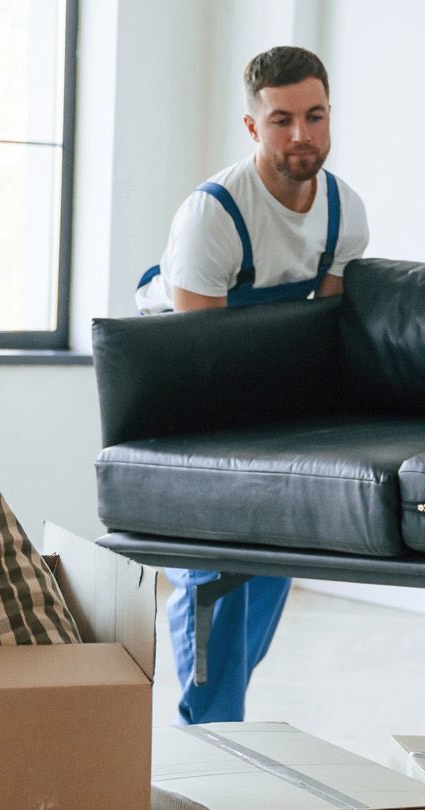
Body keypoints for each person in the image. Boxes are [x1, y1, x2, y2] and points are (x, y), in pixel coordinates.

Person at [136, 45, 369, 724]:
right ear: (252, 127)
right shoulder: (210, 217)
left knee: (271, 558)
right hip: (176, 377)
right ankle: (207, 741)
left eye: (315, 116)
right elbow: (199, 358)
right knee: (214, 563)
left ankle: (218, 724)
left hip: (266, 378)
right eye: (281, 120)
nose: (302, 135)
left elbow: (319, 334)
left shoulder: (344, 213)